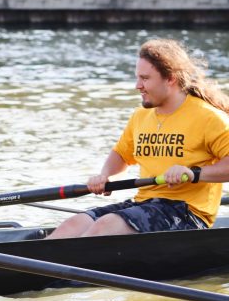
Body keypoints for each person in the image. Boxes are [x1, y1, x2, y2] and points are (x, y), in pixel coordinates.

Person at [48, 38, 229, 239]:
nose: (137, 85)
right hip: (146, 204)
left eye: (145, 78)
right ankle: (33, 269)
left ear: (170, 78)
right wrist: (105, 176)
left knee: (106, 226)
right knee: (73, 225)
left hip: (187, 214)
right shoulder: (141, 116)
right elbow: (121, 154)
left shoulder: (208, 117)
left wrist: (193, 173)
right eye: (137, 78)